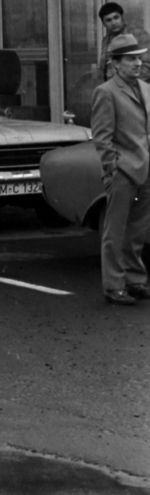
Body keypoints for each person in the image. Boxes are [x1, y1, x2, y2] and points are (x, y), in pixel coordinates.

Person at [91, 31, 150, 306]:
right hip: (123, 171)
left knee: (138, 229)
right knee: (115, 231)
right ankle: (113, 286)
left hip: (146, 169)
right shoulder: (106, 92)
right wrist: (113, 169)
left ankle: (135, 280)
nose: (138, 63)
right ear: (116, 63)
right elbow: (102, 137)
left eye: (139, 58)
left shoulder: (146, 88)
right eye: (131, 59)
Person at [100, 1, 127, 78]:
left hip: (130, 87)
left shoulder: (137, 34)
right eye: (108, 20)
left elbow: (147, 65)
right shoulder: (106, 40)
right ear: (104, 24)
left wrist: (132, 86)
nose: (114, 22)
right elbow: (103, 68)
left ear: (122, 17)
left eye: (116, 17)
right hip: (110, 87)